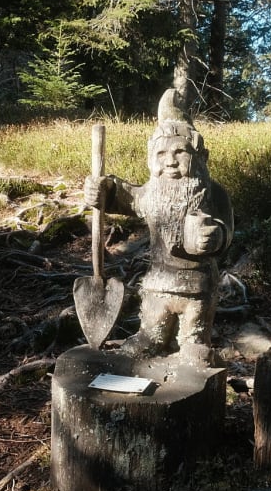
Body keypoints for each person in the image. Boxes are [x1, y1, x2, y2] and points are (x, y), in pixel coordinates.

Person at [84, 91, 233, 362]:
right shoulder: (150, 193)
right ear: (152, 157)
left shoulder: (213, 194)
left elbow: (227, 230)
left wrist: (216, 236)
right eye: (162, 153)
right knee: (149, 338)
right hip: (157, 284)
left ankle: (193, 341)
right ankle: (152, 337)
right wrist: (102, 190)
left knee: (195, 350)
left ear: (199, 157)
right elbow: (125, 196)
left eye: (180, 151)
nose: (170, 160)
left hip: (198, 287)